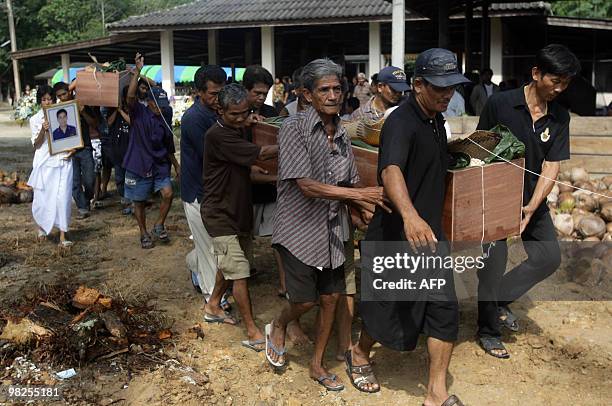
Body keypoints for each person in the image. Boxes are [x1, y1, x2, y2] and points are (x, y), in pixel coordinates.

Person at [349, 49, 469, 406]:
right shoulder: (401, 121)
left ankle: (436, 394)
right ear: (418, 85)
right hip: (397, 234)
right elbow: (391, 170)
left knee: (444, 310)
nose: (447, 95)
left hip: (430, 238)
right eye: (439, 88)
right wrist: (411, 216)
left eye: (452, 88)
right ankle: (358, 352)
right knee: (388, 308)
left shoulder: (434, 119)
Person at [266, 58, 388, 391]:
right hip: (298, 231)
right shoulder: (294, 129)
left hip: (332, 230)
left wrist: (360, 207)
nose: (333, 95)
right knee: (305, 302)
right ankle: (279, 322)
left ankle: (317, 365)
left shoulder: (343, 134)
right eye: (324, 89)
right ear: (306, 94)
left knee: (332, 299)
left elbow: (346, 185)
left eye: (337, 88)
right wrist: (363, 193)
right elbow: (306, 185)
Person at [476, 44, 580, 359]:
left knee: (548, 257)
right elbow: (480, 150)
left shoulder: (560, 116)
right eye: (555, 81)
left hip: (531, 197)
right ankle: (488, 330)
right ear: (536, 73)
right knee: (493, 264)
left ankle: (499, 300)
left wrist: (532, 207)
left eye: (565, 83)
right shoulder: (500, 104)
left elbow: (552, 164)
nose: (559, 89)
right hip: (494, 196)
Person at [200, 83, 278, 350]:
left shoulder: (238, 128)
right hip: (220, 214)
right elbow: (263, 153)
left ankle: (213, 305)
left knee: (231, 265)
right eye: (235, 115)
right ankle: (253, 331)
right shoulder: (218, 135)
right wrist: (294, 138)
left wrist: (278, 177)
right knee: (240, 274)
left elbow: (251, 171)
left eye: (246, 113)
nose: (242, 119)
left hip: (237, 210)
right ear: (220, 110)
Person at [123, 53, 180, 249]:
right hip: (138, 164)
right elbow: (130, 96)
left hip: (159, 164)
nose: (161, 109)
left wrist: (176, 166)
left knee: (168, 193)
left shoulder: (165, 116)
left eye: (164, 106)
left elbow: (168, 144)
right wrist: (137, 72)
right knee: (139, 201)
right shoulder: (139, 112)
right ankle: (143, 232)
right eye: (157, 105)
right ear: (149, 102)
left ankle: (159, 224)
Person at [180, 65, 227, 300]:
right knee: (210, 248)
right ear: (199, 92)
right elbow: (216, 155)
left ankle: (193, 263)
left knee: (211, 243)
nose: (219, 98)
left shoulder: (218, 113)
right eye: (213, 94)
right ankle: (212, 299)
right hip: (198, 192)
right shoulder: (193, 119)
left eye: (222, 92)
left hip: (216, 192)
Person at [27, 85, 73, 247]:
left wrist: (73, 148)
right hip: (44, 162)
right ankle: (42, 227)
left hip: (63, 159)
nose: (48, 102)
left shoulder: (63, 113)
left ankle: (63, 235)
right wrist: (43, 130)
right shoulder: (34, 119)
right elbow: (36, 145)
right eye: (44, 99)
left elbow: (72, 136)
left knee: (63, 197)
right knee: (43, 197)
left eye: (50, 99)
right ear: (40, 101)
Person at [54, 82, 97, 219]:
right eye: (59, 95)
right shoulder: (56, 110)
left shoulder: (81, 104)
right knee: (74, 182)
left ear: (70, 91)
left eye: (64, 94)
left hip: (85, 148)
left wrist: (83, 111)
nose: (62, 97)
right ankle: (82, 208)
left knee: (89, 180)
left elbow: (94, 124)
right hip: (68, 151)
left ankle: (87, 199)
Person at [105, 86, 132, 215]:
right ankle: (125, 200)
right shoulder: (112, 110)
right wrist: (116, 110)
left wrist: (122, 112)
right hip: (117, 150)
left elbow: (133, 122)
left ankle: (132, 201)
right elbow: (109, 123)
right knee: (120, 178)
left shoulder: (134, 109)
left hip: (131, 150)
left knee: (131, 178)